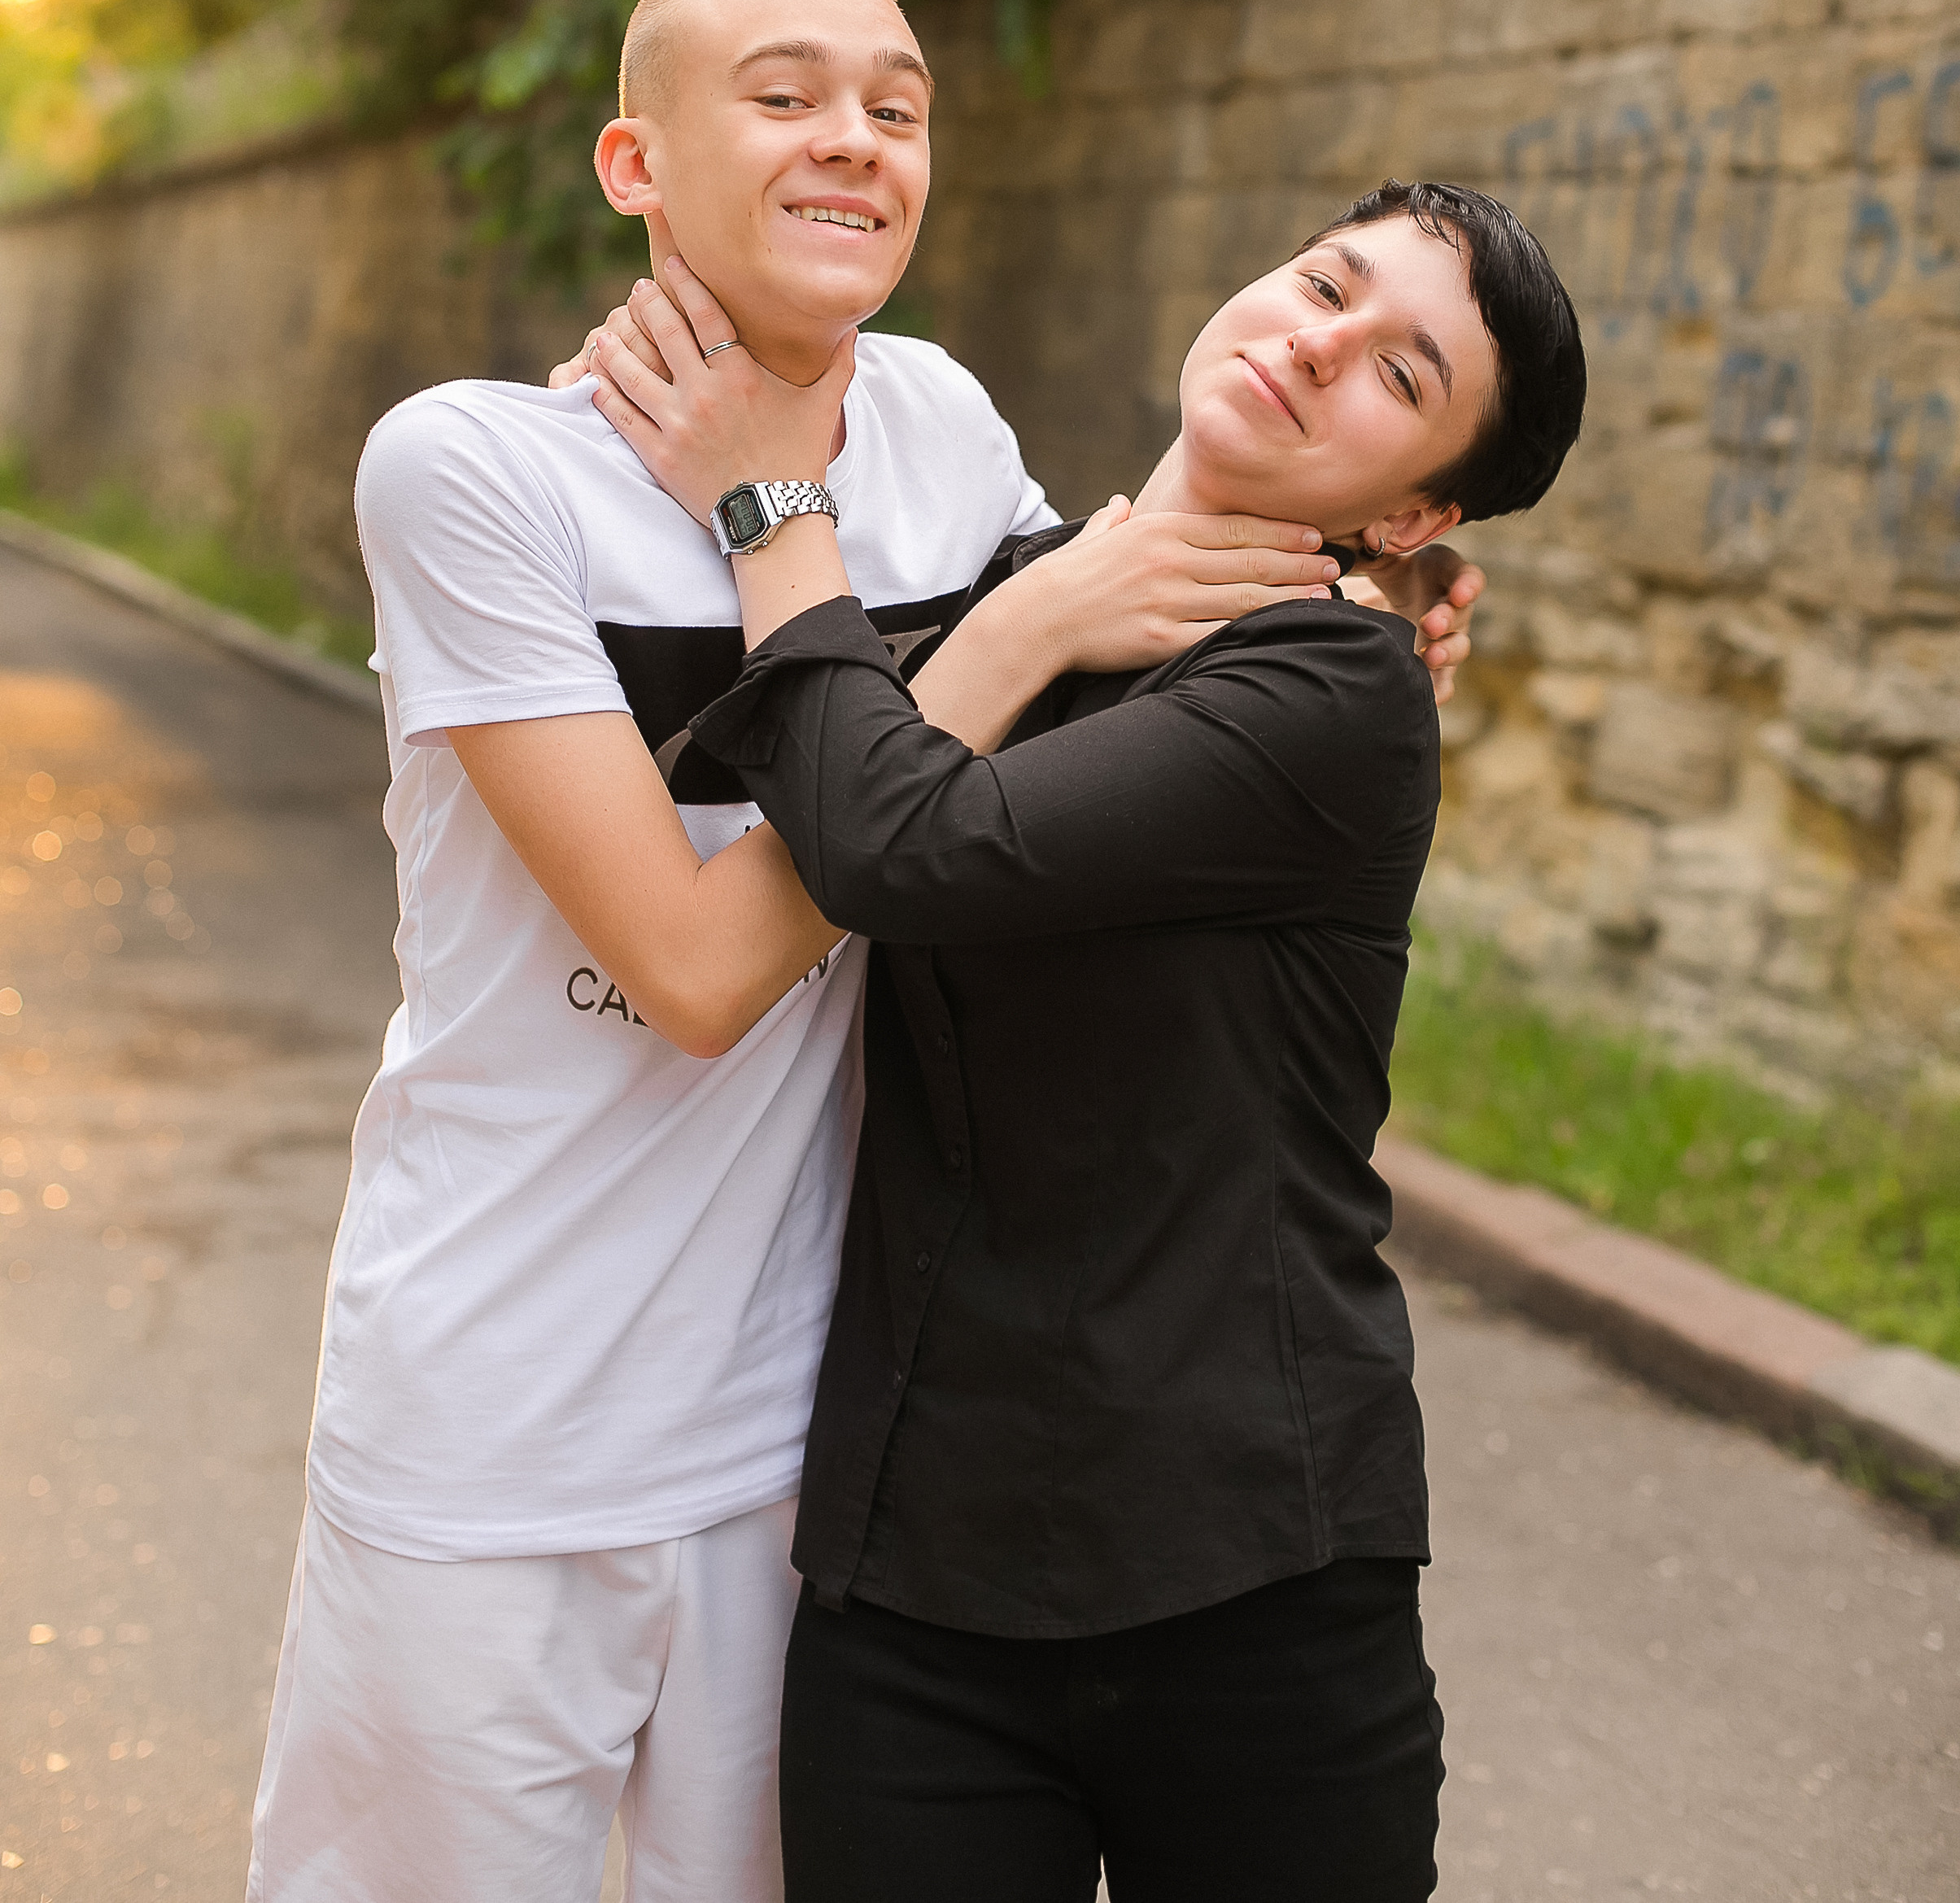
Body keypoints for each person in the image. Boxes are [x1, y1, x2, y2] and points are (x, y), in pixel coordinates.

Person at [248, 0, 1482, 1903]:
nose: (856, 139)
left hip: (799, 1463)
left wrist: (1362, 622)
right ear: (635, 164)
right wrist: (993, 615)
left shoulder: (934, 429)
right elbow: (696, 969)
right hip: (493, 1423)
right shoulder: (470, 470)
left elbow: (1144, 696)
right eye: (785, 93)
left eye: (896, 106)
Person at [568, 174, 1586, 1902]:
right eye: (1321, 279)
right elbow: (734, 745)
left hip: (1246, 1578)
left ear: (1414, 507)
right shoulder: (1017, 592)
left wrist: (764, 498)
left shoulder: (1334, 693)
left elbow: (897, 845)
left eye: (1397, 373)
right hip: (916, 1585)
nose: (1316, 340)